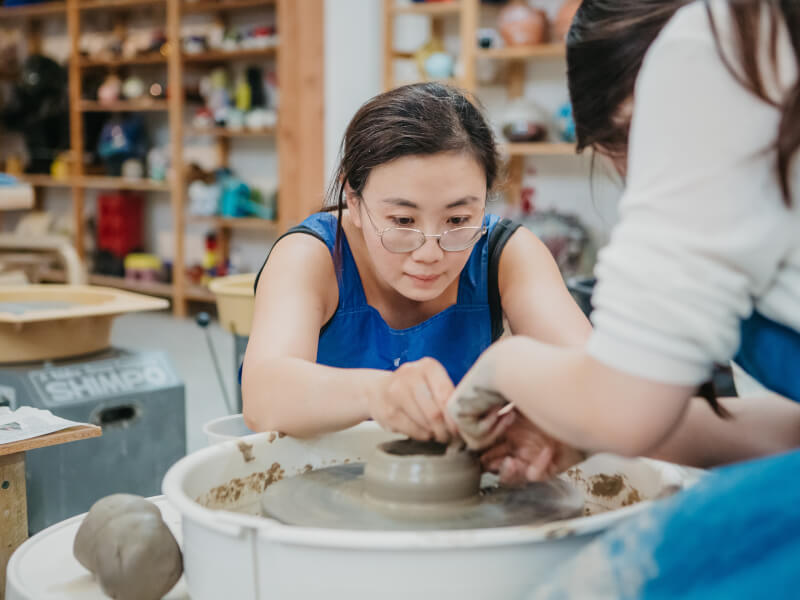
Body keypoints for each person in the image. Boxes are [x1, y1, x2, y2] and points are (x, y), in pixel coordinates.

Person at [445, 0, 800, 597]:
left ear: (628, 114)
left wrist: (503, 365)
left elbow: (625, 405)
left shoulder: (716, 43)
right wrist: (589, 427)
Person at [241, 82, 590, 441]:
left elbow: (596, 379)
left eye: (457, 220)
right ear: (355, 201)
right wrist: (378, 393)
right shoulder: (312, 256)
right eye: (403, 221)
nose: (430, 254)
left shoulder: (507, 254)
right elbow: (262, 396)